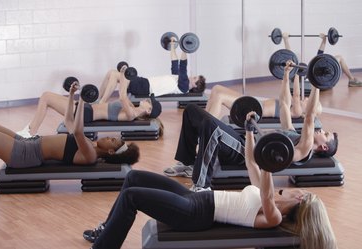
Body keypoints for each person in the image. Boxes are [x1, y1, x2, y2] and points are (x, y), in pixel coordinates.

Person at [82, 114, 337, 249]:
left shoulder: (274, 217)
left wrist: (270, 164)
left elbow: (267, 196)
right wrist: (249, 131)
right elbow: (251, 162)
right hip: (196, 198)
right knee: (134, 177)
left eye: (301, 190)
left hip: (196, 213)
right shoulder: (268, 196)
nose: (298, 189)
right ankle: (105, 230)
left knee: (131, 196)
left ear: (301, 198)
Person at [164, 61, 338, 188]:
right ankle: (187, 163)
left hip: (243, 153)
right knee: (191, 110)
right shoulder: (292, 133)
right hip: (243, 140)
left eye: (326, 133)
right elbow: (285, 103)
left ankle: (201, 186)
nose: (322, 130)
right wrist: (286, 75)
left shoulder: (304, 149)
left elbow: (309, 117)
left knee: (211, 126)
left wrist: (316, 84)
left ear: (322, 147)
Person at [0, 82, 140, 169]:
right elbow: (69, 121)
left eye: (112, 141)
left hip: (25, 153)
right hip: (26, 143)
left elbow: (78, 131)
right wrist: (71, 95)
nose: (108, 137)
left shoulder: (90, 155)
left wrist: (81, 101)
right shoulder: (89, 146)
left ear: (111, 152)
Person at [17, 73, 163, 138]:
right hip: (87, 107)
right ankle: (30, 130)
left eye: (149, 102)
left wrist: (124, 75)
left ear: (148, 110)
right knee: (46, 96)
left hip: (86, 114)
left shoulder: (131, 114)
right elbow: (121, 91)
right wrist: (122, 73)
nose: (146, 100)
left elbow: (122, 95)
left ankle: (30, 132)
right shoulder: (132, 106)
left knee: (46, 97)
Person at [100, 37, 206, 100]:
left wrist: (184, 49)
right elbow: (175, 63)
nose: (193, 76)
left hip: (145, 88)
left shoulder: (184, 86)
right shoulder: (179, 80)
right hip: (144, 83)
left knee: (114, 74)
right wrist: (173, 45)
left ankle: (102, 103)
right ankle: (98, 99)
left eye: (195, 78)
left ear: (194, 85)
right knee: (111, 73)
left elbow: (183, 66)